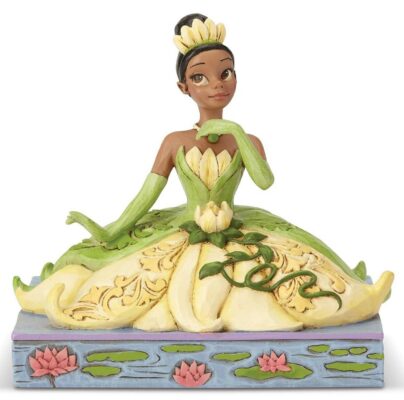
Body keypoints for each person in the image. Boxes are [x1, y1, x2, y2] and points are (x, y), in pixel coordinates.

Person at [13, 13, 393, 332]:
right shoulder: (174, 142)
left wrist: (235, 131)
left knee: (298, 260)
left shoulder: (246, 140)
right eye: (200, 77)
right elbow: (145, 197)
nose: (216, 84)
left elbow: (264, 181)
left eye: (226, 72)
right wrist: (109, 231)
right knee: (132, 280)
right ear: (183, 87)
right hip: (184, 226)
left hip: (234, 223)